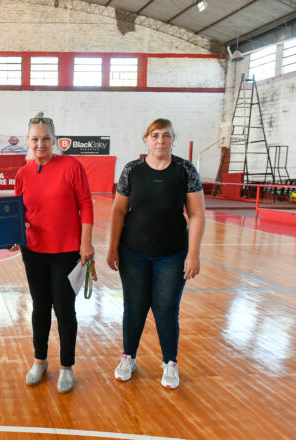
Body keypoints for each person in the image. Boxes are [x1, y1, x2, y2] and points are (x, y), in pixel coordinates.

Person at [107, 118, 205, 390]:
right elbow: (118, 211)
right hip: (133, 253)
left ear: (173, 139)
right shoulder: (132, 170)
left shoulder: (185, 170)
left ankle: (170, 362)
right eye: (155, 135)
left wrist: (193, 254)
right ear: (146, 139)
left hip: (172, 255)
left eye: (166, 135)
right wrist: (113, 247)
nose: (160, 140)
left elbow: (196, 214)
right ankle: (128, 358)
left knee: (166, 309)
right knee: (134, 307)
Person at [12, 112, 94, 394]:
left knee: (64, 309)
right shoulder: (23, 173)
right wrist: (14, 235)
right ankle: (40, 360)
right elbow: (19, 213)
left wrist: (86, 242)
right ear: (27, 140)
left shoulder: (71, 166)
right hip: (34, 251)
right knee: (39, 308)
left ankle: (67, 366)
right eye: (35, 139)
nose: (40, 144)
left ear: (54, 140)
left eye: (46, 138)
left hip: (66, 251)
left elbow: (86, 204)